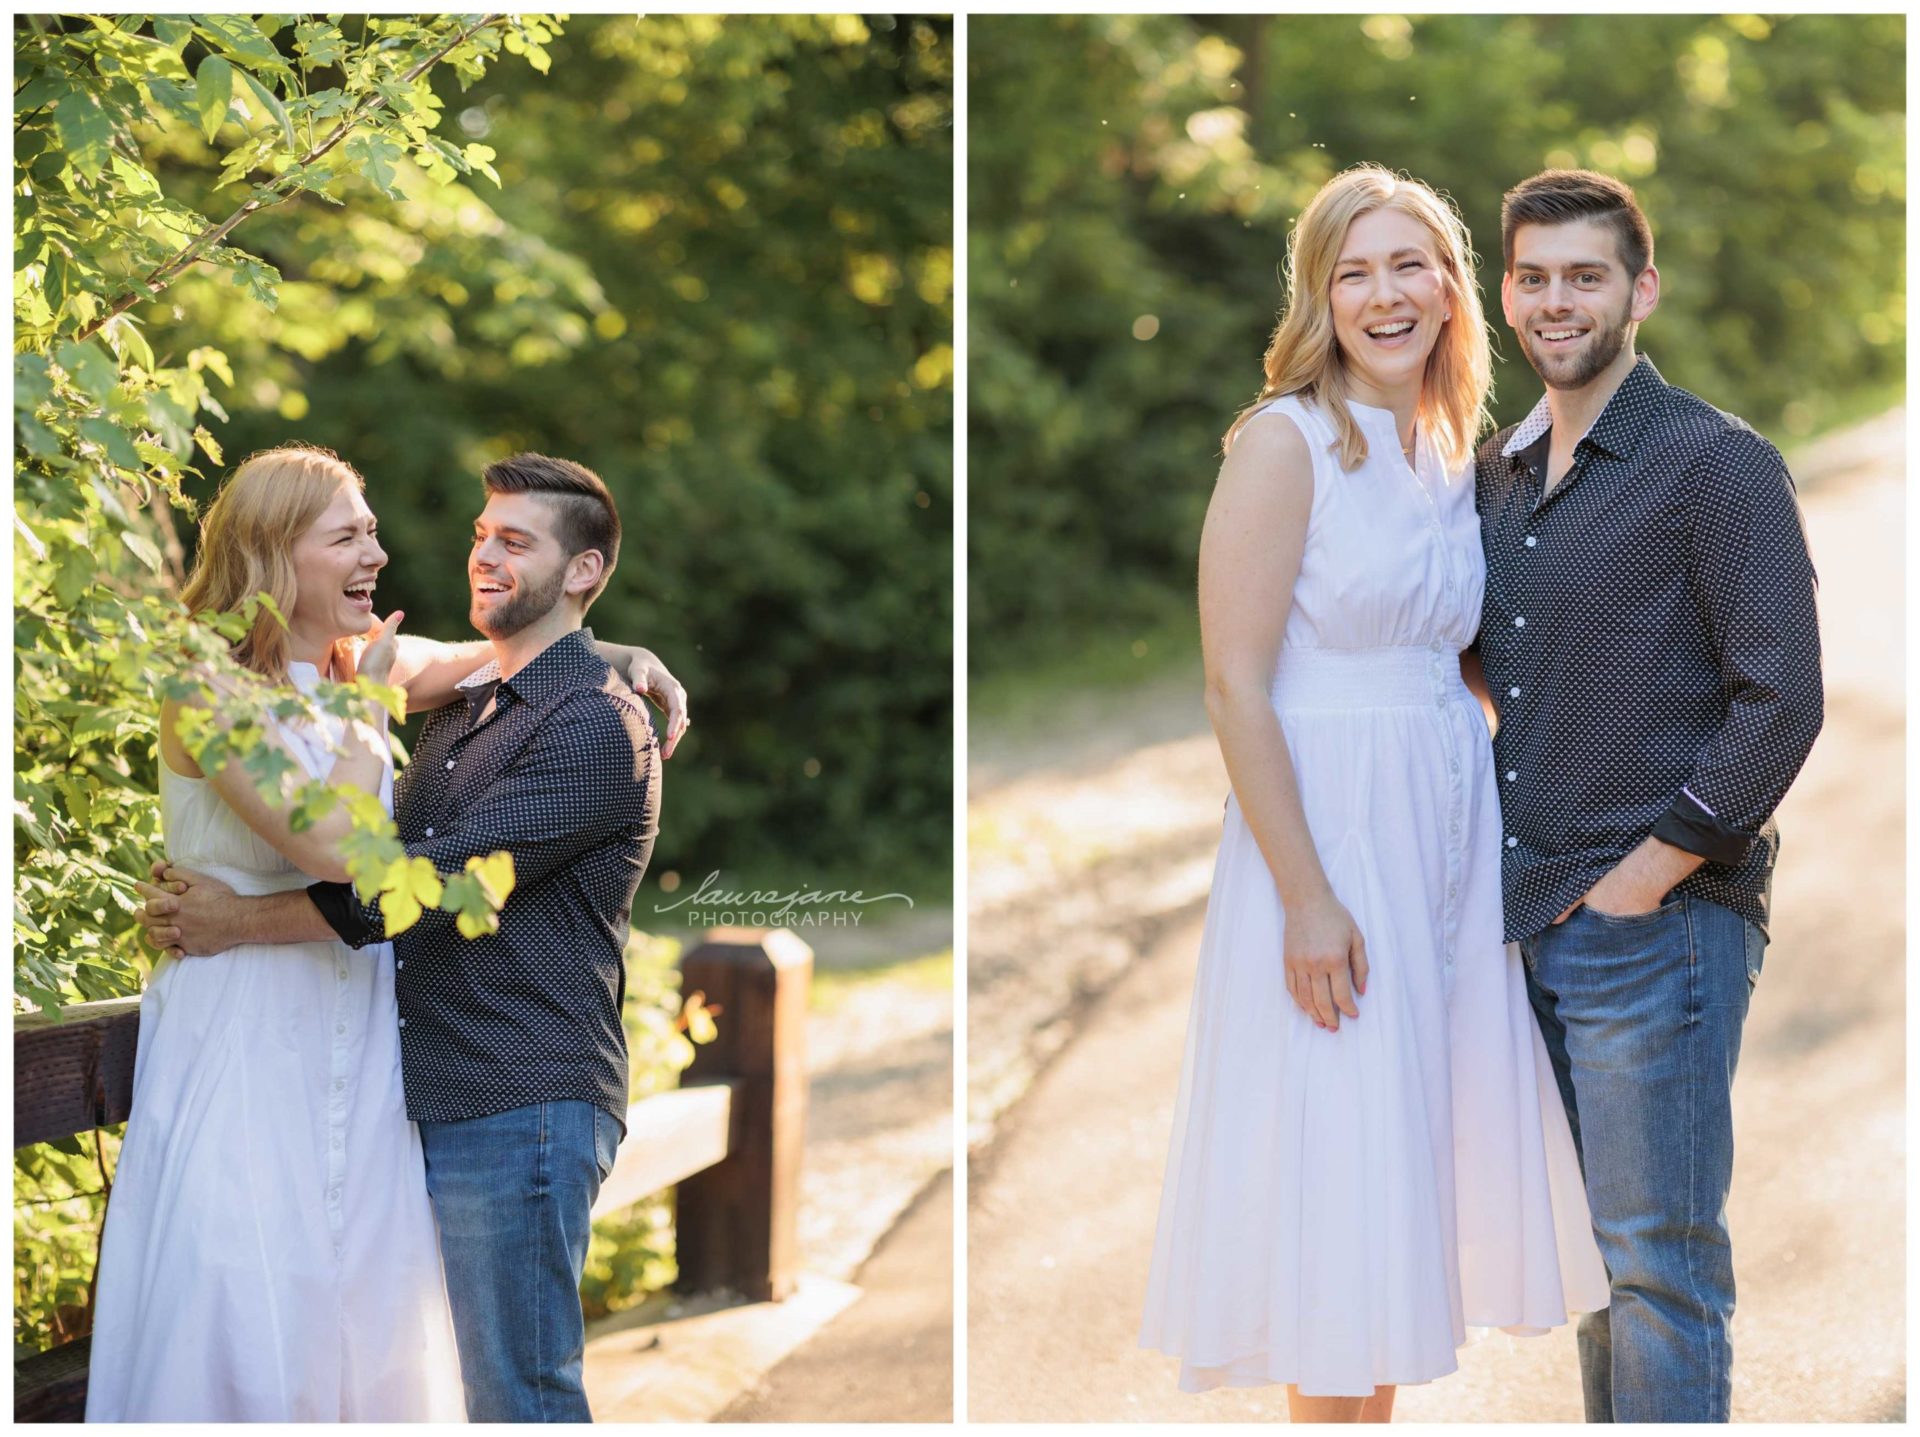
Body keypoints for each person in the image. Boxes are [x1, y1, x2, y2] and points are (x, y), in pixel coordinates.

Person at [1137, 164, 1609, 1422]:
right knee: (1338, 1204)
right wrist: (1306, 899)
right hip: (1330, 838)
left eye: (1409, 265)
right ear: (1321, 297)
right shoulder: (1285, 443)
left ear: (1453, 290)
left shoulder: (1454, 449)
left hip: (1442, 837)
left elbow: (1471, 655)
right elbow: (1235, 687)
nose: (1384, 294)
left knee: (1395, 1201)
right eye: (1354, 271)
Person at [108, 446, 679, 1423]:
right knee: (239, 1295)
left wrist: (621, 657)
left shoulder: (361, 663)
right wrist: (372, 701)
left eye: (372, 528)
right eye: (347, 535)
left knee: (365, 1307)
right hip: (243, 1030)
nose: (377, 549)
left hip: (365, 1046)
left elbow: (515, 654)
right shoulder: (208, 690)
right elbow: (336, 848)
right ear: (272, 555)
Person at [1478, 170, 1823, 1423]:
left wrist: (1645, 878)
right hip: (1534, 927)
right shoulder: (1503, 475)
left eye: (1585, 275)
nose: (1555, 300)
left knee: (1659, 1270)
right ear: (1506, 291)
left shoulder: (1713, 463)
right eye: (1533, 276)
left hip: (1657, 925)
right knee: (1595, 1271)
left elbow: (1780, 696)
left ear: (1641, 290)